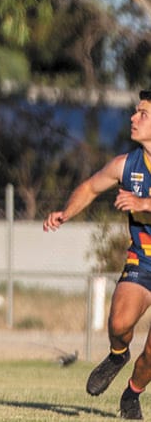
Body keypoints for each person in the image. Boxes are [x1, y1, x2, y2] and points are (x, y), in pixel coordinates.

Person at [45, 89, 151, 420]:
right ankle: (118, 355)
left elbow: (143, 204)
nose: (133, 118)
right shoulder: (127, 164)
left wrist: (145, 204)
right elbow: (91, 187)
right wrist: (65, 212)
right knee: (119, 323)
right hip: (144, 260)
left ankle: (132, 394)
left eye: (143, 113)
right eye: (135, 112)